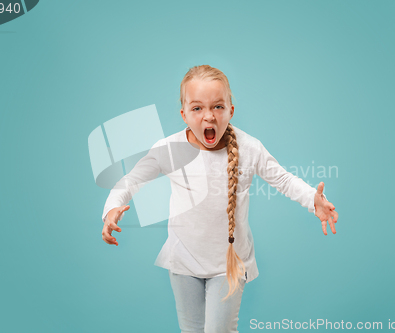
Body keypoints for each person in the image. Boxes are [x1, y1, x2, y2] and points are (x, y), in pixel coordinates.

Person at [101, 65, 338, 333]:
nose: (208, 116)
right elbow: (132, 180)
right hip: (183, 261)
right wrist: (111, 209)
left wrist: (313, 199)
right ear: (184, 114)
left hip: (230, 261)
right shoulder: (168, 150)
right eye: (197, 108)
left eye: (217, 107)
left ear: (231, 110)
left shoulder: (249, 148)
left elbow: (282, 179)